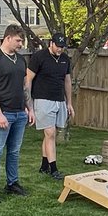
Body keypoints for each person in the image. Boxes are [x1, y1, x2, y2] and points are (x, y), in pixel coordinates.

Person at [0, 24, 33, 203]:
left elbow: (24, 87)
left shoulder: (20, 60)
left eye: (22, 41)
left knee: (14, 151)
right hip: (3, 114)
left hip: (19, 113)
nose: (21, 44)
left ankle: (12, 183)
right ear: (8, 38)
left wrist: (30, 109)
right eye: (19, 40)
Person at [26, 33, 75, 180]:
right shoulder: (39, 57)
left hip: (59, 100)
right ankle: (54, 169)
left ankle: (43, 166)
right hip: (42, 99)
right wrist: (29, 104)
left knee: (49, 134)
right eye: (58, 46)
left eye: (62, 47)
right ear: (51, 43)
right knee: (50, 133)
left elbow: (67, 81)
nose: (60, 49)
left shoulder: (65, 59)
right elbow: (28, 79)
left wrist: (69, 103)